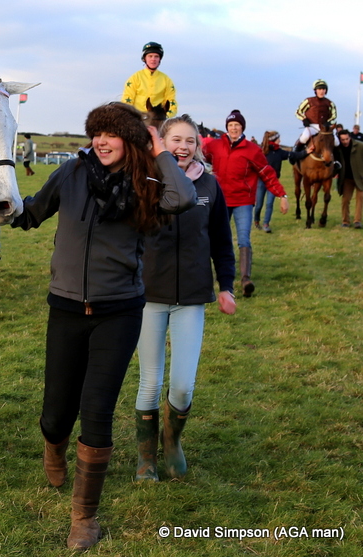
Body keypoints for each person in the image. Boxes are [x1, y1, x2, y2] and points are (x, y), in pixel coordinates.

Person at [10, 102, 196, 551]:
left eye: (112, 133)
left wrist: (159, 152)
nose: (102, 141)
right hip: (67, 309)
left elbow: (183, 198)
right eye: (97, 132)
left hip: (120, 311)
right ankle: (53, 444)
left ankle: (84, 518)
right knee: (56, 413)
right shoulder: (71, 175)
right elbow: (30, 214)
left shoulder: (147, 182)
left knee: (96, 411)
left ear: (130, 140)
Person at [134, 114, 236, 483]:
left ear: (198, 146)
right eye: (175, 140)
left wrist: (226, 285)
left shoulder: (209, 185)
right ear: (161, 143)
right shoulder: (144, 181)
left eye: (190, 141)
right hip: (148, 296)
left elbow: (222, 241)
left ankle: (172, 441)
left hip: (191, 296)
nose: (182, 146)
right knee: (150, 381)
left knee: (182, 385)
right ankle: (146, 458)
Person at [203, 110, 288, 297]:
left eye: (237, 125)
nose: (234, 128)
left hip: (243, 201)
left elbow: (267, 173)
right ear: (227, 128)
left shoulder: (253, 150)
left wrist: (282, 195)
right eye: (231, 125)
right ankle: (209, 276)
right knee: (215, 238)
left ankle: (245, 279)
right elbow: (198, 159)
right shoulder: (215, 146)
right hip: (220, 201)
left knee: (243, 238)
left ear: (242, 128)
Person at [122, 42, 178, 119]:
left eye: (156, 56)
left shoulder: (167, 80)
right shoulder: (134, 78)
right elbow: (127, 101)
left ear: (160, 59)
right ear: (145, 58)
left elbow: (172, 102)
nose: (153, 59)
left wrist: (166, 116)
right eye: (150, 56)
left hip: (159, 119)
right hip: (138, 119)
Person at [254, 131, 289, 233]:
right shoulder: (261, 152)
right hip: (261, 181)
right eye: (278, 139)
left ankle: (266, 224)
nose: (280, 141)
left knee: (269, 203)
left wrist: (306, 152)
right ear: (274, 139)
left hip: (273, 182)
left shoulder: (279, 152)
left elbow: (293, 154)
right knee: (259, 204)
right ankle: (256, 220)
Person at [294, 79, 338, 159]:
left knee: (336, 142)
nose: (321, 91)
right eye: (319, 89)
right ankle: (295, 155)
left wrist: (328, 122)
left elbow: (334, 116)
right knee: (304, 137)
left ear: (326, 91)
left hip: (325, 128)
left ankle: (337, 160)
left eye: (323, 89)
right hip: (312, 126)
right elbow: (298, 112)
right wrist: (304, 119)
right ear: (315, 90)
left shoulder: (330, 103)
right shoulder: (308, 101)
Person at [336, 129, 363, 228]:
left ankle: (357, 221)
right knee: (345, 200)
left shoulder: (361, 146)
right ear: (339, 139)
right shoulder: (338, 149)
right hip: (347, 179)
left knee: (360, 199)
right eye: (343, 139)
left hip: (360, 178)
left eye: (347, 139)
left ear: (350, 137)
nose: (345, 141)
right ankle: (345, 221)